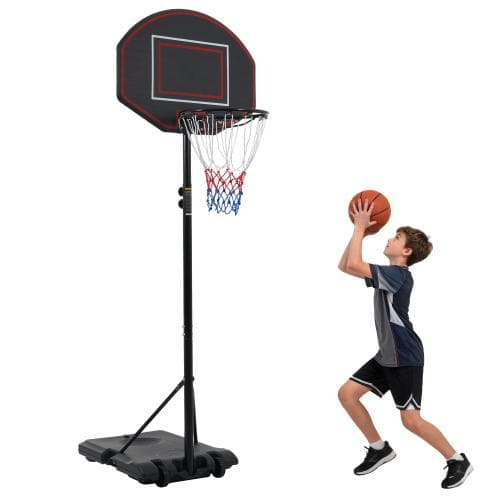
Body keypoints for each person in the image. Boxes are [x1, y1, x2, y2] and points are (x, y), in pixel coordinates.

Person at [337, 198, 473, 489]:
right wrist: (359, 233)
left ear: (407, 251)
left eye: (396, 237)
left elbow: (353, 263)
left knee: (411, 421)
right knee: (347, 394)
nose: (389, 238)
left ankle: (457, 460)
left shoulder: (398, 275)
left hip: (405, 356)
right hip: (387, 355)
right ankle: (379, 449)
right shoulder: (387, 275)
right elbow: (345, 266)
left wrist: (360, 228)